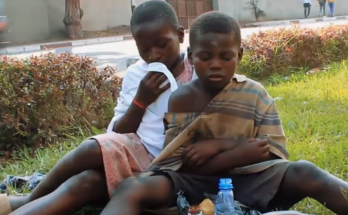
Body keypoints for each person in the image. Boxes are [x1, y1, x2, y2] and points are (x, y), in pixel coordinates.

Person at [100, 11, 348, 215]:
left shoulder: (255, 94)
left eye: (226, 56)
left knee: (305, 171)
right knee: (133, 187)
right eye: (205, 57)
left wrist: (220, 146)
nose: (216, 64)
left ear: (239, 56)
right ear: (191, 57)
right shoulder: (181, 99)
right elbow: (179, 163)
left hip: (251, 181)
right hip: (194, 184)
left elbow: (271, 153)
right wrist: (234, 153)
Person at [0, 1, 197, 215]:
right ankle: (27, 201)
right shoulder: (136, 74)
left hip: (172, 165)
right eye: (145, 49)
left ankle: (25, 201)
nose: (154, 55)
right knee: (91, 162)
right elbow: (118, 132)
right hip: (137, 153)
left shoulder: (196, 69)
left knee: (92, 171)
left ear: (179, 35)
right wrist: (141, 100)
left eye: (162, 44)